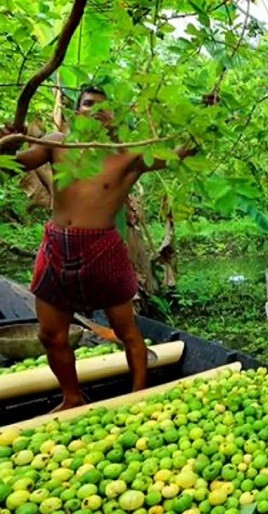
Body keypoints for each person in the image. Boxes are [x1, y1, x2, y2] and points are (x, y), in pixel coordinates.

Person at [1, 85, 199, 412]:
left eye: (103, 107)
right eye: (88, 103)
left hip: (102, 249)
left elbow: (180, 153)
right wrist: (8, 143)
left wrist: (202, 122)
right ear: (77, 111)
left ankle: (138, 394)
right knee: (51, 336)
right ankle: (72, 398)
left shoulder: (128, 155)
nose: (95, 110)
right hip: (57, 247)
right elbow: (16, 164)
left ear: (113, 117)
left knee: (126, 330)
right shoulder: (57, 143)